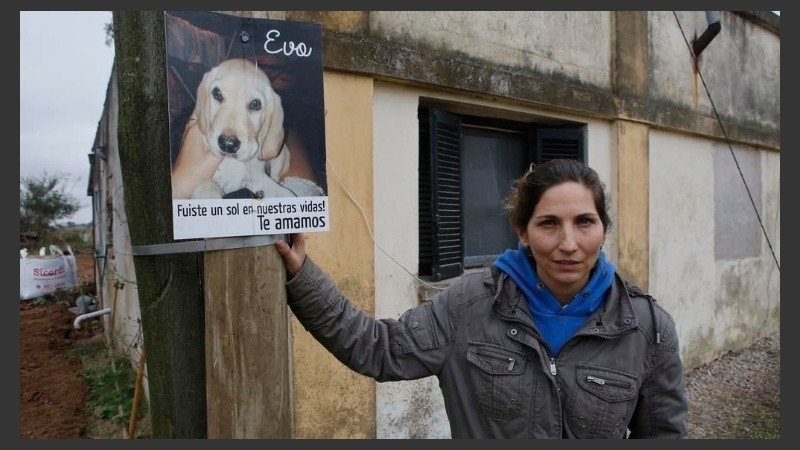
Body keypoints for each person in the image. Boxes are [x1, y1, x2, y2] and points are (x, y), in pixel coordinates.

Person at [275, 158, 687, 438]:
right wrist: (301, 274)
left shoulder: (647, 329)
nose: (568, 243)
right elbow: (377, 348)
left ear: (603, 228)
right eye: (548, 224)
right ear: (522, 231)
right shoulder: (469, 306)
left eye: (584, 222)